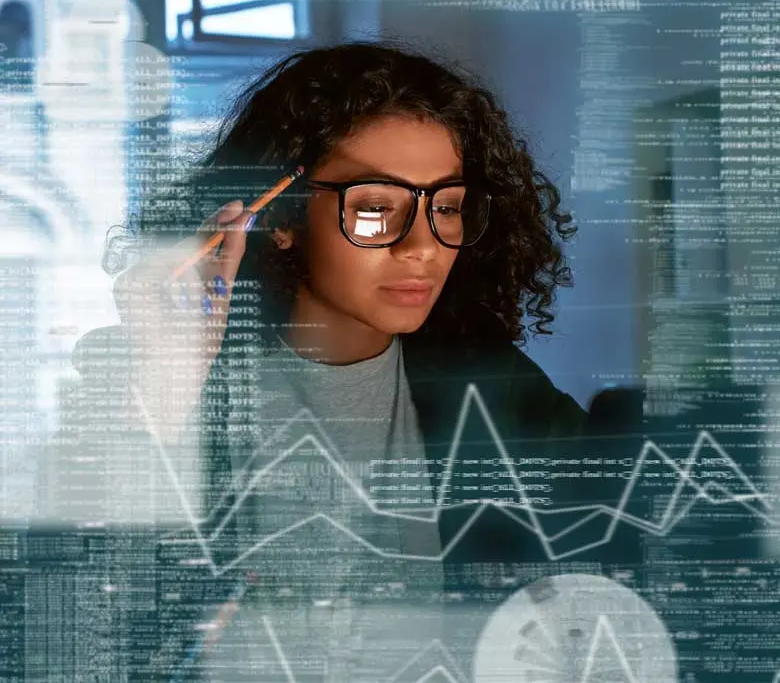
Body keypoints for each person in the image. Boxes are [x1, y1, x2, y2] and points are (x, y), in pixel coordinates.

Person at [37, 40, 592, 681]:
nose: (423, 247)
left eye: (445, 208)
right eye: (377, 209)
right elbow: (71, 635)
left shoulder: (496, 389)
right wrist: (164, 398)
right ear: (282, 218)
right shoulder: (150, 378)